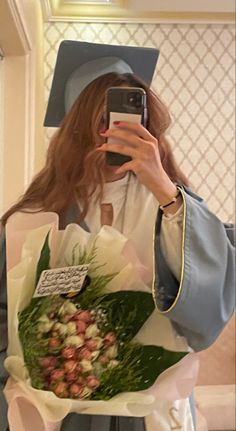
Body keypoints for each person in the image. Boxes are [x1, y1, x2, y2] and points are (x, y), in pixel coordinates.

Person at [0, 41, 235, 431]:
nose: (111, 133)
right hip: (59, 414)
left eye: (128, 121)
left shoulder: (174, 209)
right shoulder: (35, 216)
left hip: (152, 411)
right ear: (73, 129)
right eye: (98, 121)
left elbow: (209, 317)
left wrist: (165, 190)